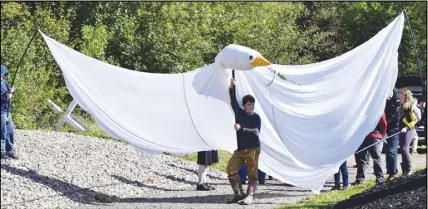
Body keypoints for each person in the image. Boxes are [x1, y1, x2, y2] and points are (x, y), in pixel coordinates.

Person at [226, 78, 261, 205]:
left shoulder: (256, 117)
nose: (251, 106)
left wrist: (241, 128)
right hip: (240, 149)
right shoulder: (239, 114)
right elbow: (233, 102)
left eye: (252, 104)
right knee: (230, 169)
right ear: (244, 106)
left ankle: (250, 195)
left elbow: (256, 132)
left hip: (253, 149)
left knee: (252, 173)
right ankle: (238, 194)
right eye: (249, 104)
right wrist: (232, 87)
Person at [353, 112, 387, 185]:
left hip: (372, 136)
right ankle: (363, 179)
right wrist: (381, 135)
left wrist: (381, 135)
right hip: (366, 136)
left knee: (371, 158)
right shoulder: (374, 109)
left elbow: (383, 123)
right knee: (365, 158)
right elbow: (383, 124)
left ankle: (378, 178)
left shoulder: (376, 109)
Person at [398, 89, 418, 176]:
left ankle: (409, 169)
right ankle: (405, 170)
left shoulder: (409, 106)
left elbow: (415, 119)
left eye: (401, 96)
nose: (400, 98)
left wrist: (406, 127)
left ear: (406, 97)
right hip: (401, 130)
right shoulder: (401, 106)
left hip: (409, 130)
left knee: (404, 148)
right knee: (402, 149)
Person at [1, 64, 17, 160]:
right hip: (1, 112)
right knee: (2, 132)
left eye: (4, 74)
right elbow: (4, 97)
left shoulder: (4, 82)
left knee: (10, 130)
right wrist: (6, 96)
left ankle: (9, 150)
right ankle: (2, 152)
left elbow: (10, 90)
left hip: (7, 111)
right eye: (2, 74)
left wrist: (12, 91)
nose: (3, 75)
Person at [384, 88, 401, 180]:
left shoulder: (396, 103)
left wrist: (387, 124)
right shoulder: (387, 102)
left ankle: (393, 173)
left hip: (393, 130)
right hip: (387, 129)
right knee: (388, 151)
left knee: (391, 151)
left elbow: (395, 117)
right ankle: (390, 171)